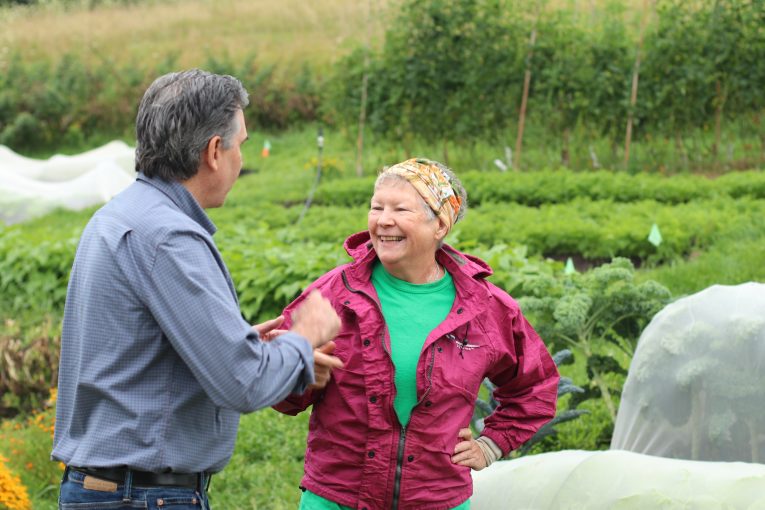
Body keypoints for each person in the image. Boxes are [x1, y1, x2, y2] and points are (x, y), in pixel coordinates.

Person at [51, 69, 342, 510]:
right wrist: (305, 337)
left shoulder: (120, 215)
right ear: (213, 151)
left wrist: (241, 344)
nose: (241, 158)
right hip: (145, 496)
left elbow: (146, 354)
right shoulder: (169, 237)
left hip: (112, 489)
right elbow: (243, 384)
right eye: (240, 144)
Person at [274, 158, 560, 510]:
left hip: (436, 498)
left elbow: (536, 386)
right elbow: (279, 394)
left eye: (400, 209)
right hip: (339, 498)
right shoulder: (335, 293)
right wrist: (297, 368)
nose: (383, 220)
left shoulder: (484, 308)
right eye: (376, 207)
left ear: (439, 225)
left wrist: (492, 444)